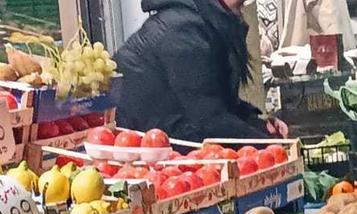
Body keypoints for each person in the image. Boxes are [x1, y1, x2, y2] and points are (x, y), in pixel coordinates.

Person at [116, 0, 286, 141]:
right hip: (152, 154)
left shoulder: (206, 20)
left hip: (170, 145)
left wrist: (260, 125)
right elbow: (207, 119)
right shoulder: (183, 29)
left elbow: (218, 101)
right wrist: (269, 144)